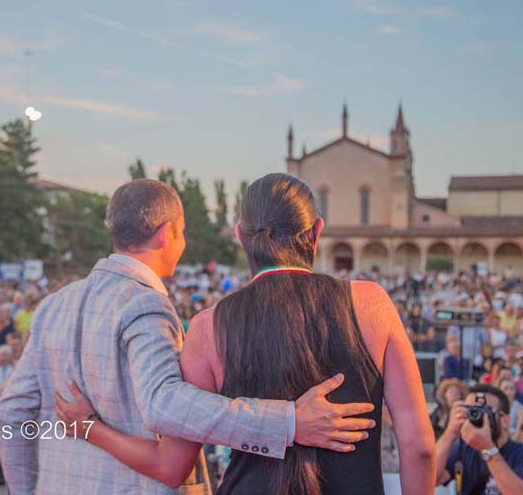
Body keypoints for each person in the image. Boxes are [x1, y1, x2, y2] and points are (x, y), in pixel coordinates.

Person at [53, 174, 435, 494]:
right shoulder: (370, 303)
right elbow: (418, 447)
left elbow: (170, 466)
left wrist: (91, 428)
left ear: (241, 236)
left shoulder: (208, 327)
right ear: (316, 231)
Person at [435, 384, 523, 495]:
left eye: (485, 411)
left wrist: (488, 450)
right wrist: (450, 433)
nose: (477, 416)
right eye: (471, 410)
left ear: (505, 421)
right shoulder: (462, 448)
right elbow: (432, 479)